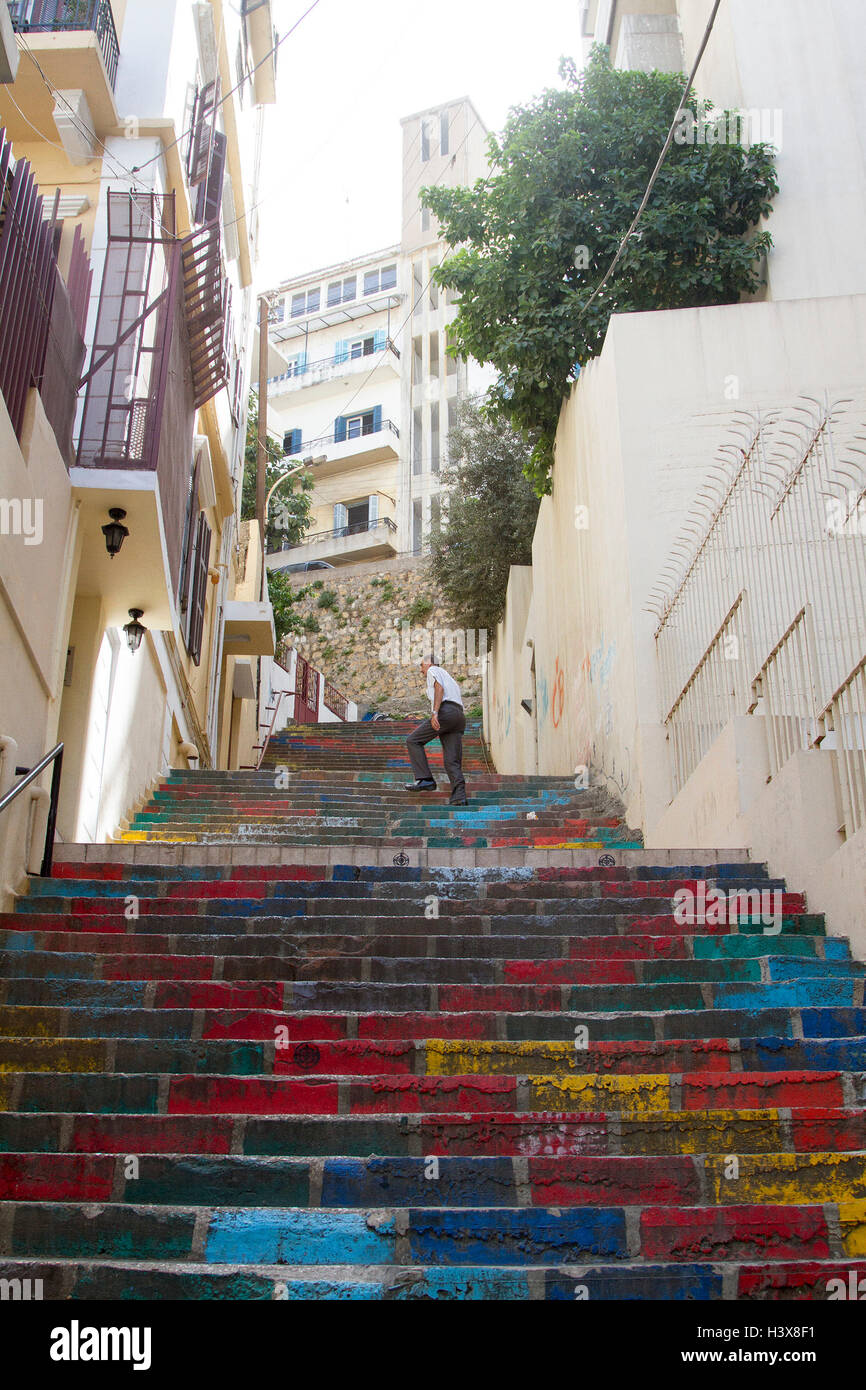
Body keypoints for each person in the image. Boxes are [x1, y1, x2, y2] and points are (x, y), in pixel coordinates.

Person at [405, 657, 467, 804]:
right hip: (459, 717)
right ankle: (459, 797)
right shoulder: (450, 678)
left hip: (446, 712)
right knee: (452, 761)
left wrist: (435, 713)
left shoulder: (433, 670)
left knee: (413, 740)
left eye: (421, 665)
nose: (421, 670)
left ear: (429, 663)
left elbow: (439, 688)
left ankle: (425, 779)